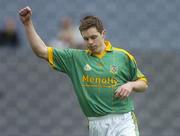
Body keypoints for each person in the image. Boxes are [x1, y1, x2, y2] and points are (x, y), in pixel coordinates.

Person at [19, 6, 148, 136]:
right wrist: (27, 24)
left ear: (103, 34)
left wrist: (131, 85)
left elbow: (143, 83)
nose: (90, 42)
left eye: (94, 37)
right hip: (96, 124)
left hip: (123, 121)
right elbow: (41, 51)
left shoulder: (122, 56)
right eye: (86, 39)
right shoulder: (75, 58)